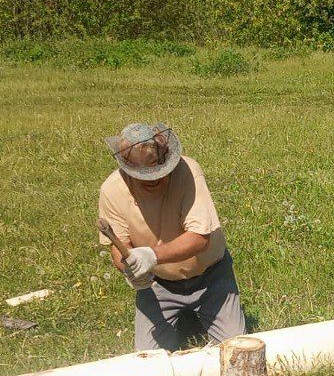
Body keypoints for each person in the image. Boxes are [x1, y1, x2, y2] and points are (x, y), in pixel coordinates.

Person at [98, 122, 248, 351]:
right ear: (126, 168)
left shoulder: (189, 171)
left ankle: (204, 311)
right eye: (143, 176)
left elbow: (199, 238)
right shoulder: (112, 189)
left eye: (159, 173)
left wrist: (151, 255)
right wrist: (128, 268)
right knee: (148, 360)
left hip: (211, 278)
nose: (152, 180)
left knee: (238, 351)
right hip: (159, 286)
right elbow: (119, 246)